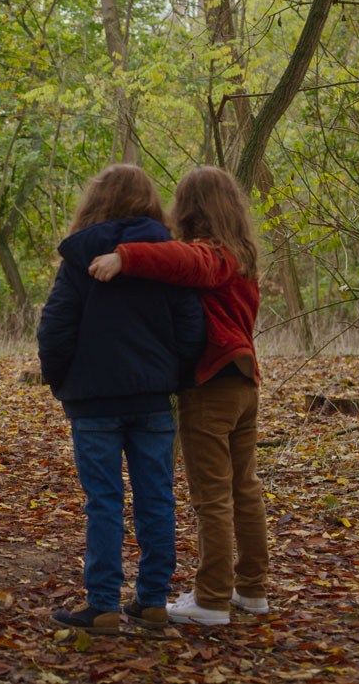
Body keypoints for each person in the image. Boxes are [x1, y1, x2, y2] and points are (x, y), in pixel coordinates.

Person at [87, 165, 268, 626]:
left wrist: (125, 256)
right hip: (244, 385)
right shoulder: (241, 254)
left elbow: (187, 262)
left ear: (189, 208)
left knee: (213, 497)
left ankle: (210, 599)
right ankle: (251, 590)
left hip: (213, 388)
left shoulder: (212, 255)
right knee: (243, 490)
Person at [38, 164, 205, 634]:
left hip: (93, 403)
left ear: (95, 202)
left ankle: (104, 605)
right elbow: (191, 328)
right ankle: (152, 601)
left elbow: (55, 330)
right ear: (150, 204)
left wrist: (62, 383)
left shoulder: (78, 262)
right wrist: (174, 378)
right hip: (152, 399)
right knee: (156, 497)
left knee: (105, 502)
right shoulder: (168, 259)